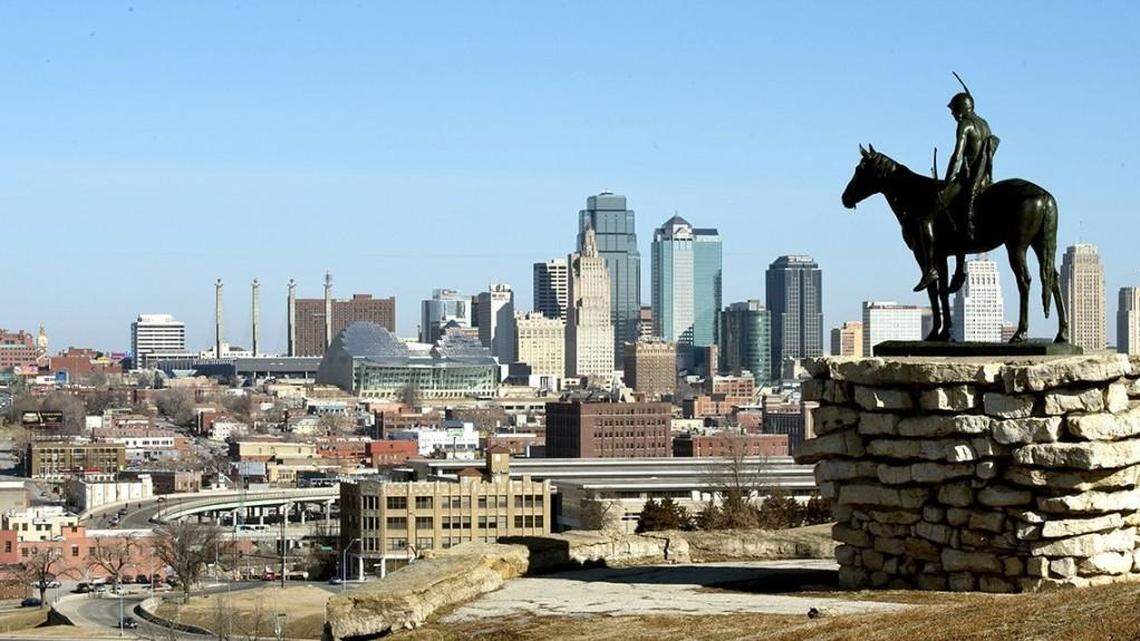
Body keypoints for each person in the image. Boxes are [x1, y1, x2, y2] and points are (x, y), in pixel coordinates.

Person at [913, 79, 999, 292]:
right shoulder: (984, 124)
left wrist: (947, 180)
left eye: (953, 111)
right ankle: (959, 271)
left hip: (966, 182)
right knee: (954, 220)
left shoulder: (966, 124)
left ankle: (931, 268)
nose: (952, 115)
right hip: (985, 182)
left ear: (960, 110)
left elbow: (957, 155)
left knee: (926, 219)